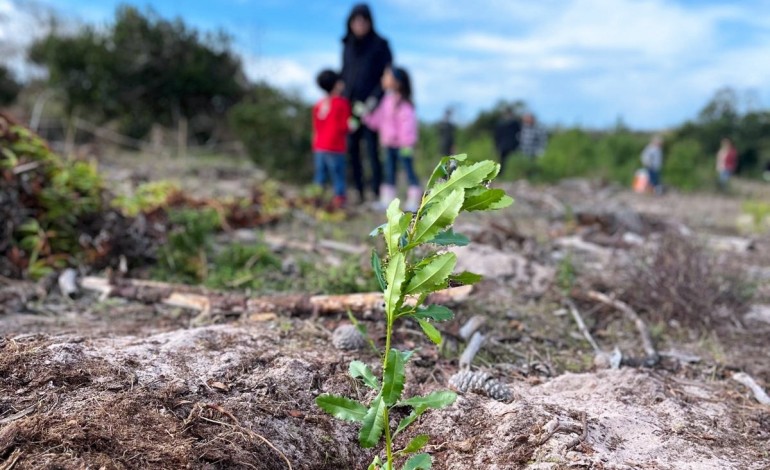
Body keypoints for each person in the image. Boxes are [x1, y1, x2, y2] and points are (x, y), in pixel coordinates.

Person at [341, 3, 393, 204]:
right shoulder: (347, 44)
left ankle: (376, 191)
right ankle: (359, 191)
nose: (359, 24)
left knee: (372, 150)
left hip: (373, 107)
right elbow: (345, 72)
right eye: (356, 21)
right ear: (351, 23)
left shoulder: (380, 44)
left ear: (370, 22)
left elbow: (387, 75)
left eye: (363, 20)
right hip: (350, 106)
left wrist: (374, 99)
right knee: (352, 149)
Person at [363, 66, 420, 212]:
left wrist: (407, 142)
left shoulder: (404, 103)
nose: (383, 79)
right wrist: (366, 115)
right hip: (388, 145)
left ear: (397, 82)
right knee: (389, 171)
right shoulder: (386, 101)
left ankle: (414, 200)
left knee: (409, 170)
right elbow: (378, 121)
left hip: (403, 145)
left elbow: (408, 124)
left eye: (386, 76)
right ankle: (387, 201)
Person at [312, 69, 351, 209]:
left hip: (319, 147)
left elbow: (316, 127)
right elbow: (344, 127)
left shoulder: (319, 104)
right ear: (337, 84)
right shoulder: (342, 104)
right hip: (335, 146)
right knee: (338, 175)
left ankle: (316, 198)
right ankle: (339, 200)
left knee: (320, 175)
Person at [493, 107, 521, 177]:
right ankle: (502, 175)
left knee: (513, 160)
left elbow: (519, 134)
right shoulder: (500, 124)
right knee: (503, 161)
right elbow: (497, 136)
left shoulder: (515, 123)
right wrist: (496, 145)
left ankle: (513, 174)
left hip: (513, 145)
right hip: (503, 145)